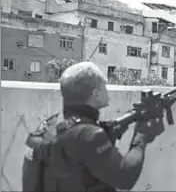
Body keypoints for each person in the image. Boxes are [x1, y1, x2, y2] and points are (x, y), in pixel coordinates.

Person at [46, 61, 162, 192]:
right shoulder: (91, 136)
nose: (107, 90)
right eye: (104, 86)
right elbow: (125, 179)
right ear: (96, 94)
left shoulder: (62, 128)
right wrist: (141, 137)